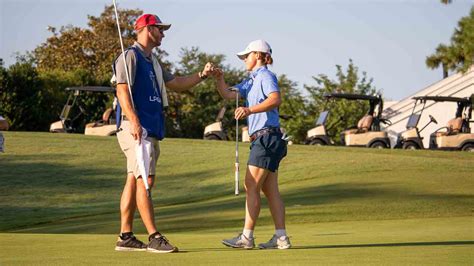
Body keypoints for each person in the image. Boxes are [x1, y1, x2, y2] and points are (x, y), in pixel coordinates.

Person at [113, 13, 214, 253]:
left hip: (149, 127)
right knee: (144, 181)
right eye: (160, 29)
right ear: (148, 29)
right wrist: (135, 122)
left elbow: (177, 83)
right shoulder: (130, 56)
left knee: (133, 177)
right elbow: (122, 91)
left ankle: (125, 236)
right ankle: (154, 237)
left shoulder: (153, 61)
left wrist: (202, 75)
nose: (163, 33)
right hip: (136, 126)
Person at [213, 40, 291, 249]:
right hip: (268, 139)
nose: (244, 60)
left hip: (266, 138)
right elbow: (228, 94)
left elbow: (275, 99)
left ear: (257, 55)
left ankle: (247, 237)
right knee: (270, 189)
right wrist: (219, 79)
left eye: (246, 56)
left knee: (251, 186)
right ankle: (281, 237)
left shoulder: (265, 76)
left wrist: (249, 110)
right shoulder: (251, 80)